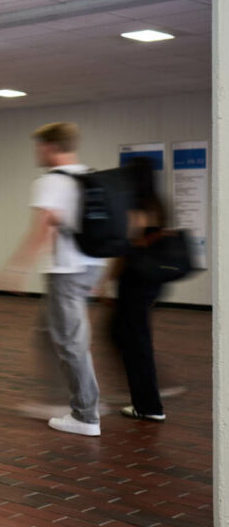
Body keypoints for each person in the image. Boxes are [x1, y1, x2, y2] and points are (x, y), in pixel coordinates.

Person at [0, 122, 106, 437]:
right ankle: (61, 399)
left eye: (39, 146)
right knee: (48, 333)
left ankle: (86, 414)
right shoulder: (85, 175)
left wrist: (18, 268)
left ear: (50, 146)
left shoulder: (51, 182)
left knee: (71, 343)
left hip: (67, 272)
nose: (37, 153)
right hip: (89, 265)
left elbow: (42, 229)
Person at [109, 157, 169, 422]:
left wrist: (109, 277)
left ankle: (148, 405)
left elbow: (129, 245)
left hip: (134, 282)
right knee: (131, 338)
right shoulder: (158, 204)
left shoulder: (138, 206)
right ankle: (147, 400)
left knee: (134, 343)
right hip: (150, 282)